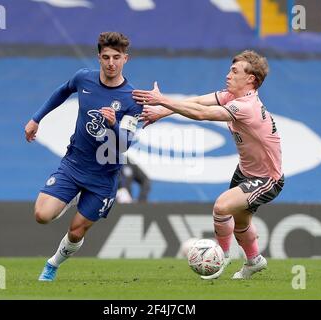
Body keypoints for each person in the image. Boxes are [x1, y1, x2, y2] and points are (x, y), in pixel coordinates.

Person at [133, 50, 284, 280]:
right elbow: (195, 101)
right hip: (246, 171)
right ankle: (254, 260)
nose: (228, 75)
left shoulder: (247, 107)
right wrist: (162, 112)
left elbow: (203, 114)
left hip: (267, 178)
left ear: (250, 79)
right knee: (241, 221)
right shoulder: (231, 97)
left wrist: (162, 100)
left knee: (222, 207)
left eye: (234, 71)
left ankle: (219, 258)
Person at [24, 31, 142, 281]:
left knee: (76, 231)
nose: (111, 63)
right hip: (74, 164)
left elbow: (124, 145)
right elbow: (62, 91)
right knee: (41, 216)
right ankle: (71, 195)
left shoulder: (132, 100)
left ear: (125, 59)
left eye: (117, 57)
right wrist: (36, 118)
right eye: (106, 57)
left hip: (104, 176)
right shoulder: (83, 79)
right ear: (99, 57)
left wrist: (112, 125)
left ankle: (53, 264)